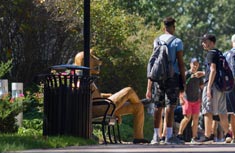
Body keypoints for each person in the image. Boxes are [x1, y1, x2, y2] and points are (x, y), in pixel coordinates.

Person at [75, 49, 149, 144]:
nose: (97, 61)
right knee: (128, 91)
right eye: (93, 58)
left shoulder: (88, 79)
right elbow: (86, 98)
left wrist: (108, 95)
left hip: (102, 106)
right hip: (100, 108)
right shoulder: (81, 81)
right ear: (85, 62)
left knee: (138, 107)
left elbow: (94, 96)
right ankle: (140, 101)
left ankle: (139, 137)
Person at [146, 17, 187, 145]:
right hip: (172, 77)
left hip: (158, 77)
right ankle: (169, 136)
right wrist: (183, 82)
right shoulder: (177, 42)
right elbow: (180, 63)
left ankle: (155, 136)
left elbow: (153, 63)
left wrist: (149, 86)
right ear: (173, 27)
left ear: (164, 28)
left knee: (158, 106)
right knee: (170, 105)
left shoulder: (157, 41)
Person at [199, 33, 229, 143]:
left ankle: (208, 136)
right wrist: (203, 73)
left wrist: (208, 88)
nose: (203, 44)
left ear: (211, 43)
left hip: (212, 86)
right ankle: (228, 135)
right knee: (222, 112)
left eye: (205, 42)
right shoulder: (218, 53)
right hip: (220, 86)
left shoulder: (210, 54)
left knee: (207, 111)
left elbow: (213, 70)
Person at [177, 57, 204, 142]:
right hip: (187, 99)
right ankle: (179, 134)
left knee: (196, 119)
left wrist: (202, 99)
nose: (195, 66)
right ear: (190, 64)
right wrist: (181, 98)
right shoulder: (186, 74)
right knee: (187, 117)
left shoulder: (199, 76)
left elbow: (202, 87)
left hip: (196, 100)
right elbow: (181, 87)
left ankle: (194, 137)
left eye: (197, 64)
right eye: (194, 64)